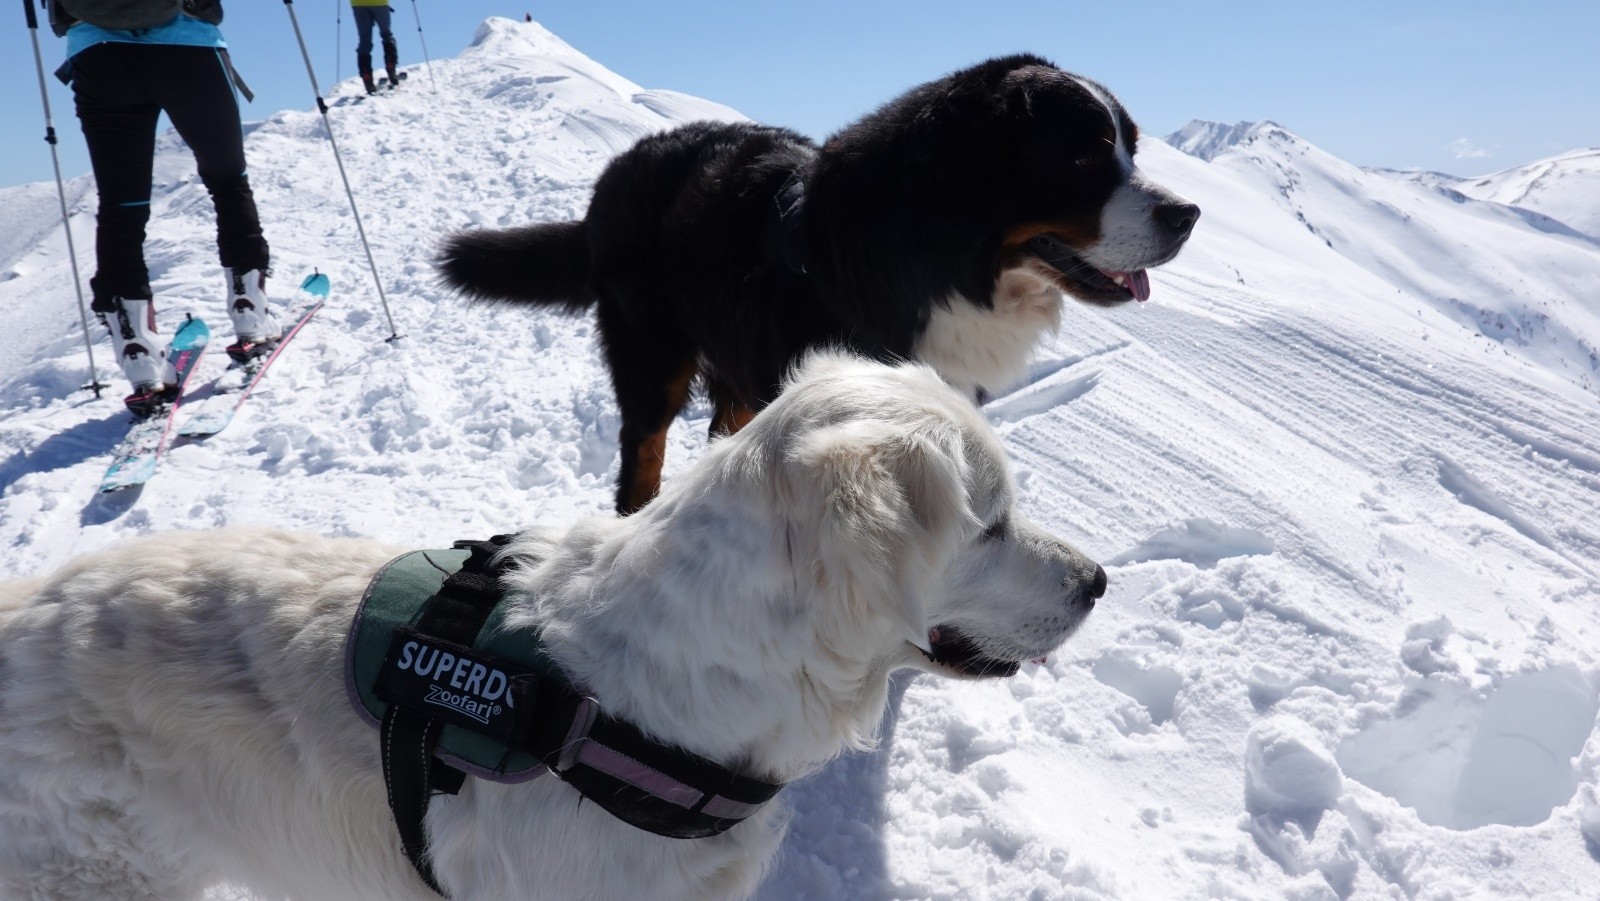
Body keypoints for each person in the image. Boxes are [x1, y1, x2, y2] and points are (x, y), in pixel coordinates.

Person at [49, 0, 282, 416]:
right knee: (228, 181)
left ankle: (138, 348)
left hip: (98, 53)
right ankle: (250, 309)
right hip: (189, 47)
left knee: (122, 205)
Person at [350, 0, 400, 95]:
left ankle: (366, 75)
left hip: (358, 4)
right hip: (379, 3)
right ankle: (391, 66)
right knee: (387, 35)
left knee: (364, 41)